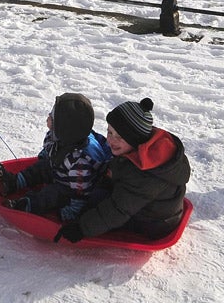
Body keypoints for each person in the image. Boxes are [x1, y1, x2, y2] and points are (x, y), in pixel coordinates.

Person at [54, 98, 190, 243]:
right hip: (148, 205)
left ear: (135, 140)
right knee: (96, 188)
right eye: (110, 132)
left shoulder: (143, 174)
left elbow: (118, 210)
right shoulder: (137, 150)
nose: (111, 140)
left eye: (119, 137)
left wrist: (81, 228)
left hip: (153, 223)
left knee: (97, 202)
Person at [0, 93, 111, 220]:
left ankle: (27, 205)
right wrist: (44, 158)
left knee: (52, 193)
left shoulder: (80, 162)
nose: (48, 116)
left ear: (63, 128)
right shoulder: (66, 136)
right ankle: (13, 182)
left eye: (52, 117)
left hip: (70, 189)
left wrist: (72, 213)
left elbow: (80, 194)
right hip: (62, 171)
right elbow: (52, 149)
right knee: (42, 167)